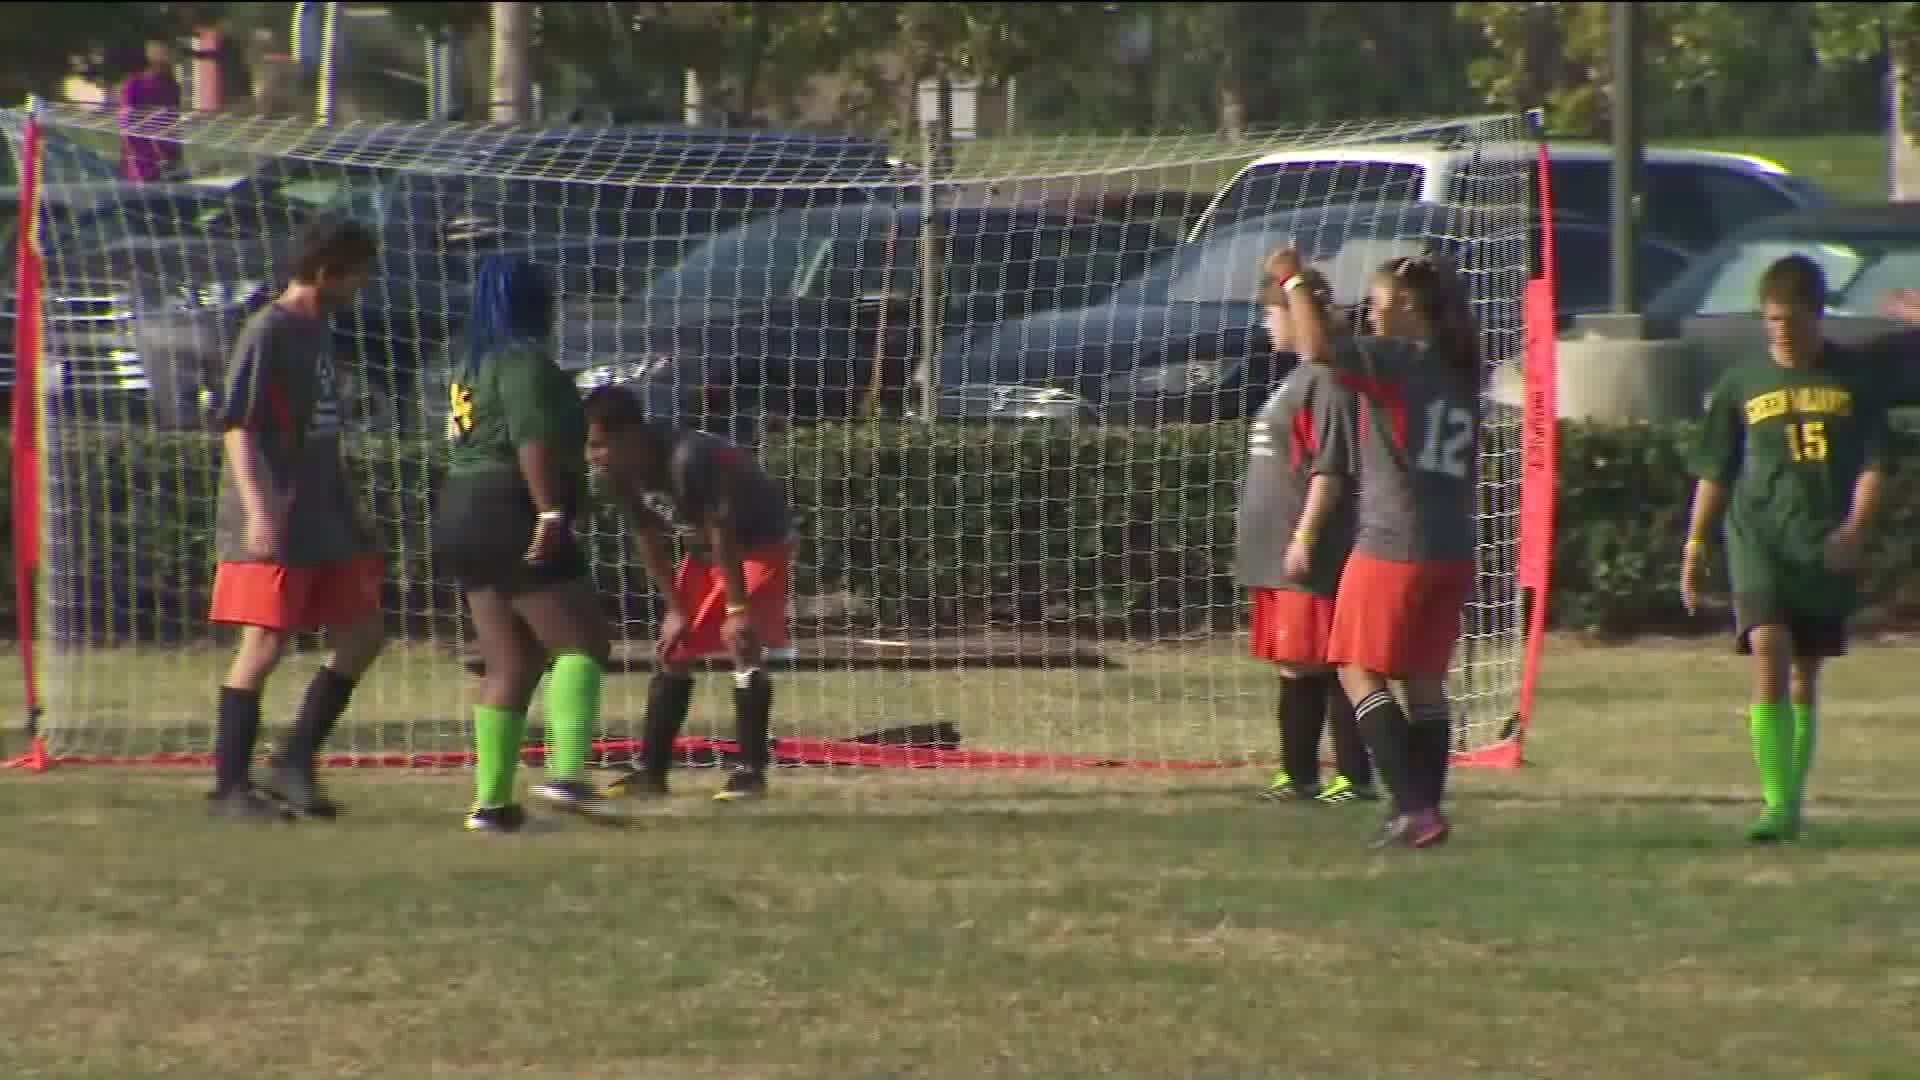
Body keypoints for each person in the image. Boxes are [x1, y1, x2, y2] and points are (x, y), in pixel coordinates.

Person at [1269, 249, 1481, 850]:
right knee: (1424, 682)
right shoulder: (1460, 365)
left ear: (1407, 306)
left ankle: (1413, 807)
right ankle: (1428, 809)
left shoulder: (1399, 360)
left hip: (1395, 542)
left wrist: (1296, 280)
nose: (1370, 313)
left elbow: (1318, 348)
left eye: (1377, 302)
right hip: (1449, 545)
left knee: (1356, 668)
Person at [1681, 255, 1891, 844]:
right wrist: (1696, 540)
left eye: (1791, 319)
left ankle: (1791, 800)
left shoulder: (1852, 380)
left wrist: (1855, 526)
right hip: (1757, 538)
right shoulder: (1742, 382)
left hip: (1821, 542)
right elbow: (1715, 470)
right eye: (1772, 320)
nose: (1780, 331)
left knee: (1804, 675)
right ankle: (1773, 802)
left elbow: (1876, 465)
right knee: (1769, 648)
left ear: (1817, 315)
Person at [433, 255, 618, 833]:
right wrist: (551, 511)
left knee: (510, 661)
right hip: (510, 506)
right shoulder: (522, 363)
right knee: (582, 642)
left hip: (461, 509)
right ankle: (567, 772)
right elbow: (531, 439)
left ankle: (491, 806)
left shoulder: (468, 363)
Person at [207, 217, 384, 821]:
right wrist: (259, 508)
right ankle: (229, 787)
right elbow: (238, 424)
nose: (362, 285)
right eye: (357, 273)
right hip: (275, 518)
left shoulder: (319, 330)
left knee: (364, 634)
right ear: (329, 271)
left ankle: (293, 759)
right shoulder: (270, 330)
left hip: (324, 517)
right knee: (264, 643)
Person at [583, 387, 795, 803]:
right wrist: (675, 609)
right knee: (673, 650)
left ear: (631, 436)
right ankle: (650, 773)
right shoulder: (614, 474)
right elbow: (646, 534)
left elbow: (723, 531)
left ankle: (749, 773)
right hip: (705, 550)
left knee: (741, 643)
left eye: (598, 444)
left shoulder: (688, 458)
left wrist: (736, 609)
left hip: (758, 543)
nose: (593, 455)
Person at [1237, 279, 1376, 805]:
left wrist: (1306, 535)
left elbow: (1332, 469)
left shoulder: (1330, 380)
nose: (1267, 324)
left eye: (1273, 313)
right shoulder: (1298, 376)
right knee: (1295, 661)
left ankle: (1352, 776)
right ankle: (1298, 774)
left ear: (1301, 313)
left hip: (1307, 547)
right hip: (1274, 546)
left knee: (1330, 658)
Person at [118, 40, 185, 182]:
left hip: (169, 159)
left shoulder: (172, 86)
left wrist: (175, 156)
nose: (172, 59)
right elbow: (126, 121)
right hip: (142, 163)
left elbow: (174, 123)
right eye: (167, 53)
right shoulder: (133, 83)